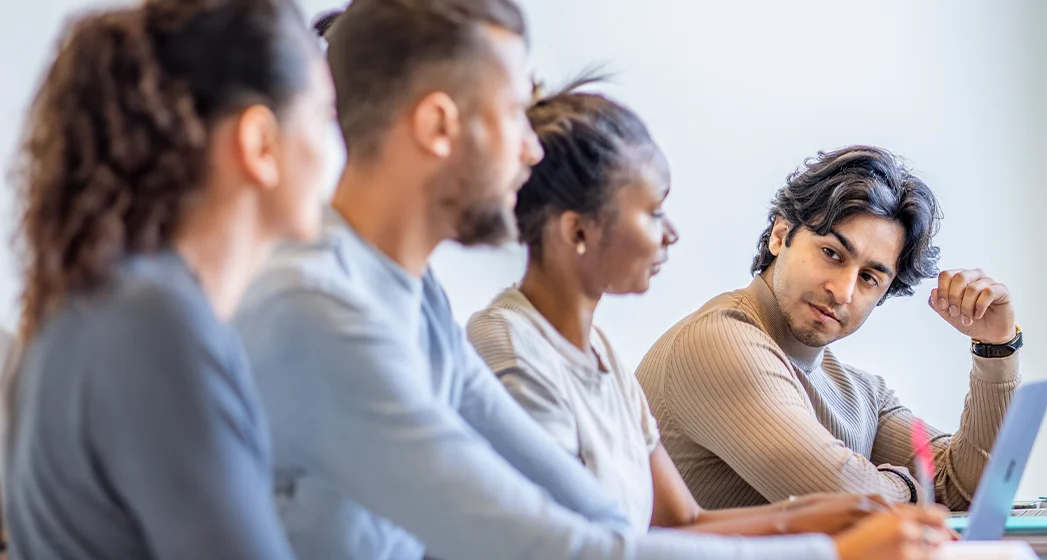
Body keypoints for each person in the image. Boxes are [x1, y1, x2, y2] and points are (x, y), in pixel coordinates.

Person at [234, 1, 945, 559]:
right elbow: (548, 547)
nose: (532, 147)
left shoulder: (413, 299)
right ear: (438, 125)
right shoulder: (320, 309)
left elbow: (601, 518)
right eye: (515, 113)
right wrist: (832, 551)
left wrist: (832, 523)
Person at [466, 77, 886, 535]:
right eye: (652, 212)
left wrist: (838, 517)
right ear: (577, 231)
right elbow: (587, 547)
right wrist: (826, 543)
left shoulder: (600, 354)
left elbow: (681, 521)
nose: (670, 234)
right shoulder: (509, 348)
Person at [3, 0, 335, 557]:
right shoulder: (154, 323)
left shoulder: (96, 304)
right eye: (325, 117)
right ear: (259, 145)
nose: (334, 151)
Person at [636, 145, 1022, 510]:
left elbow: (969, 491)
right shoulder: (718, 341)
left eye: (869, 278)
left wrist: (995, 346)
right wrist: (914, 489)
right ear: (781, 235)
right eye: (832, 254)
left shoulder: (861, 394)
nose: (842, 292)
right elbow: (845, 498)